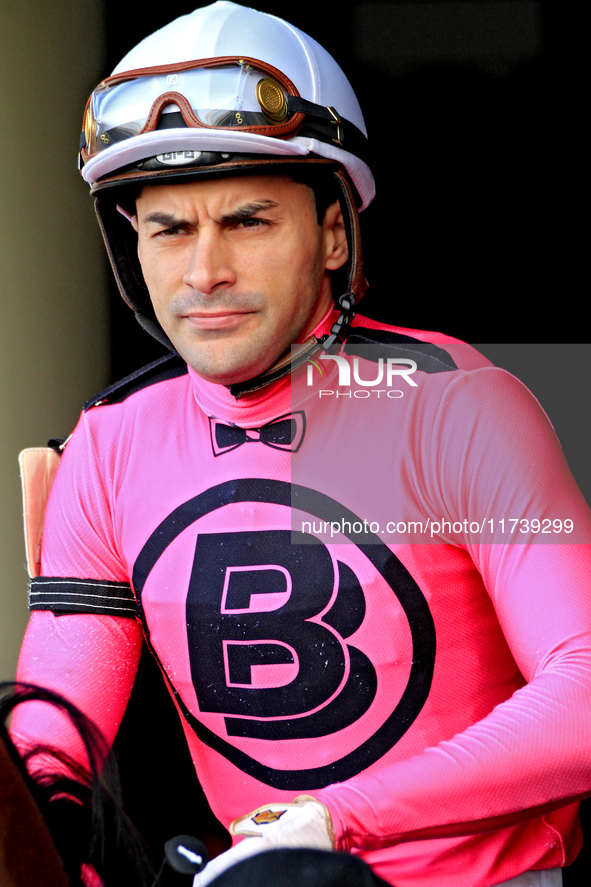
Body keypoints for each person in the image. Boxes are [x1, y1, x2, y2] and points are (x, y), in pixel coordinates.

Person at [10, 3, 591, 886]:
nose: (203, 272)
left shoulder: (462, 406)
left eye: (246, 221)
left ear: (330, 234)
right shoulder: (108, 442)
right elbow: (55, 734)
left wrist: (339, 819)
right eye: (168, 229)